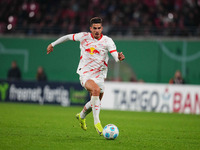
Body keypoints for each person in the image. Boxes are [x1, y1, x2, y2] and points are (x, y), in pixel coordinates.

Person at [47, 17, 125, 136]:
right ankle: (97, 122)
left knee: (95, 102)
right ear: (90, 29)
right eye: (94, 28)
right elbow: (68, 37)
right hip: (85, 73)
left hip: (100, 76)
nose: (97, 30)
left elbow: (115, 55)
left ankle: (81, 116)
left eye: (99, 28)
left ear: (102, 28)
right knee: (95, 90)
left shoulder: (107, 41)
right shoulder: (83, 36)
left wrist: (118, 58)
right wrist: (53, 44)